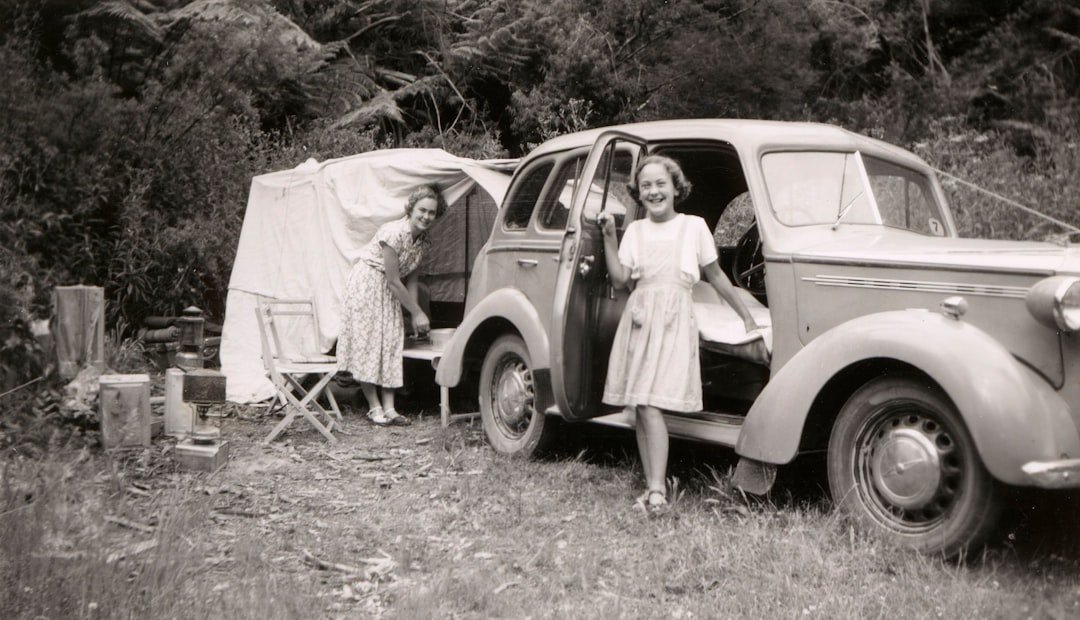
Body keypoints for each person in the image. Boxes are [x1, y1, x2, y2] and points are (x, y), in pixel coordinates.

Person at [597, 155, 760, 510]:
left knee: (652, 403)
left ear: (676, 187)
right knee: (642, 403)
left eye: (660, 184)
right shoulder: (637, 231)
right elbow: (621, 280)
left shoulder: (693, 226)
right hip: (640, 317)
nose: (653, 191)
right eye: (646, 186)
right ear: (638, 194)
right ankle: (652, 484)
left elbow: (716, 275)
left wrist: (745, 315)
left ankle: (657, 491)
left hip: (674, 318)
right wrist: (610, 236)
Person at [338, 185, 447, 426]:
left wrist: (419, 314)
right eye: (422, 210)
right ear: (411, 209)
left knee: (391, 340)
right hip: (367, 284)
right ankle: (374, 406)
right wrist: (416, 313)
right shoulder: (394, 232)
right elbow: (393, 280)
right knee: (368, 343)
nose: (426, 217)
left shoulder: (424, 243)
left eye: (431, 212)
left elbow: (413, 281)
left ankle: (390, 408)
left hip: (389, 289)